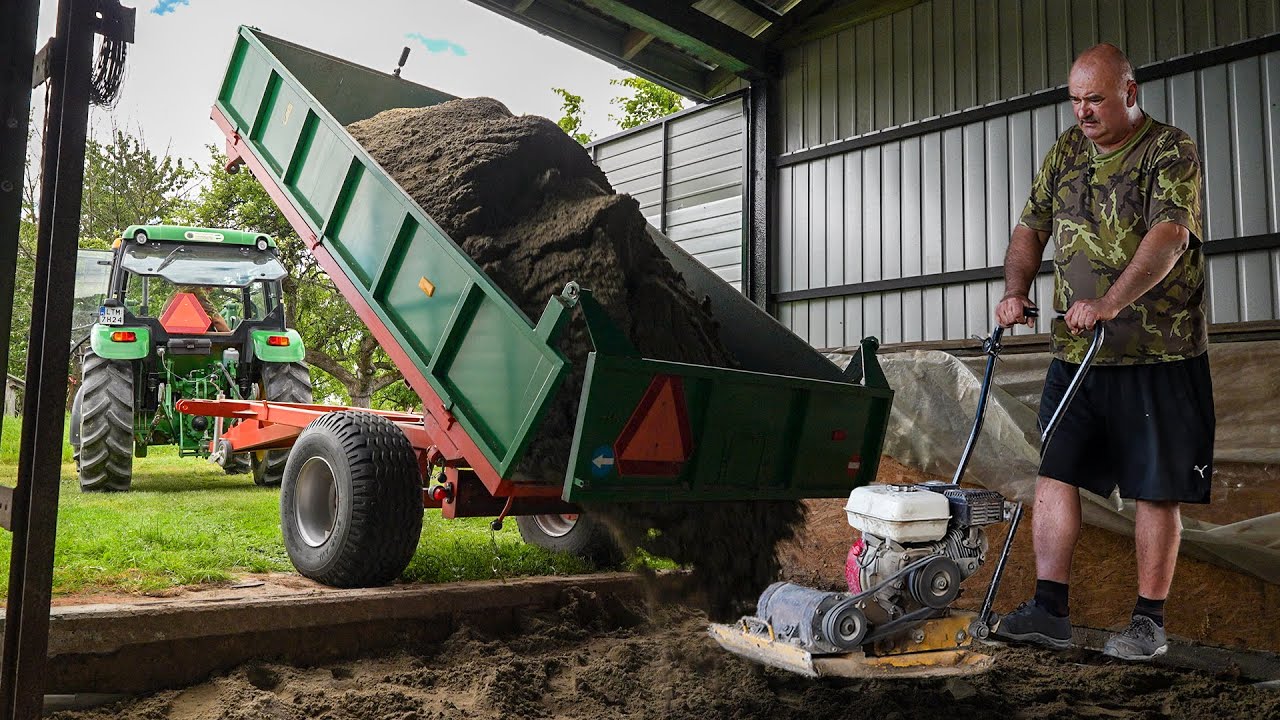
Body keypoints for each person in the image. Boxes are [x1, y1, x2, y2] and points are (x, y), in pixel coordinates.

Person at [990, 43, 1213, 661]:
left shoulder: (1171, 148)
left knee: (1154, 486)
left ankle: (1148, 622)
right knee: (1056, 471)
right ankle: (1050, 610)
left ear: (1130, 93)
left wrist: (1112, 302)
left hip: (1159, 352)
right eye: (1075, 99)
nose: (1083, 112)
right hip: (1077, 351)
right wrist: (1015, 291)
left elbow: (1170, 235)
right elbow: (1030, 226)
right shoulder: (1065, 149)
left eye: (1096, 99)